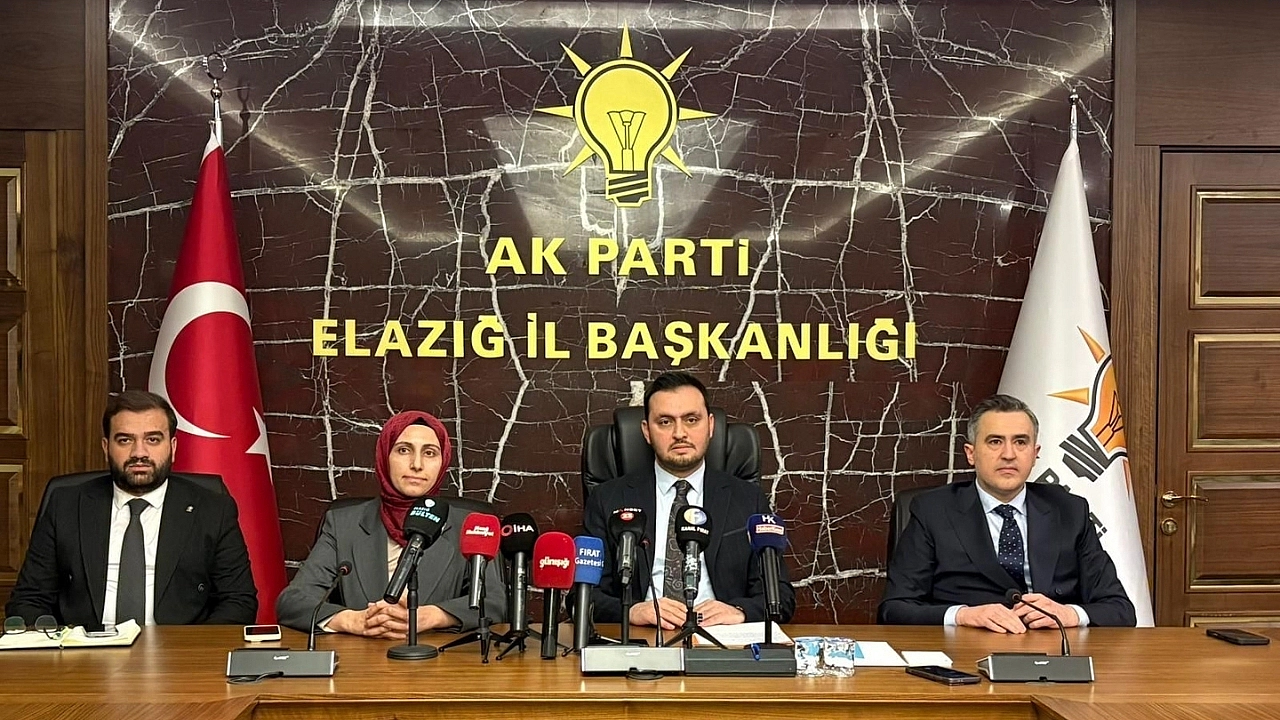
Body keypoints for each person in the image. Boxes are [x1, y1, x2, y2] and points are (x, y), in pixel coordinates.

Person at [879, 394, 1136, 630]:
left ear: (1035, 454)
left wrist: (1069, 614)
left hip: (1054, 649)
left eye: (1020, 442)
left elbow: (1120, 609)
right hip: (966, 648)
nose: (1009, 455)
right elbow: (895, 608)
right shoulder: (933, 510)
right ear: (971, 453)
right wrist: (962, 615)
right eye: (995, 442)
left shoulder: (1069, 511)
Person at [6, 390, 257, 627]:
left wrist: (190, 650)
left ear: (173, 447)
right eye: (125, 440)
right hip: (85, 651)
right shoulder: (66, 505)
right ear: (106, 447)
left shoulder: (212, 509)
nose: (139, 453)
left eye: (152, 439)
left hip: (178, 651)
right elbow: (29, 600)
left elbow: (238, 601)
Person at [583, 371, 795, 629]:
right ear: (646, 431)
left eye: (691, 420)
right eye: (665, 422)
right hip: (644, 636)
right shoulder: (608, 499)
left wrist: (739, 611)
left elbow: (780, 596)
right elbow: (582, 596)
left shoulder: (748, 499)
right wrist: (632, 612)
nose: (679, 433)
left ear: (711, 425)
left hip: (719, 638)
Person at [277, 410, 506, 638]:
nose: (417, 464)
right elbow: (292, 602)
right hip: (361, 657)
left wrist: (434, 616)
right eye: (404, 450)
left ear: (443, 461)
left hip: (437, 657)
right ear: (384, 456)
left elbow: (495, 603)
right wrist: (352, 620)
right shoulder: (343, 524)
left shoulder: (470, 525)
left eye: (429, 453)